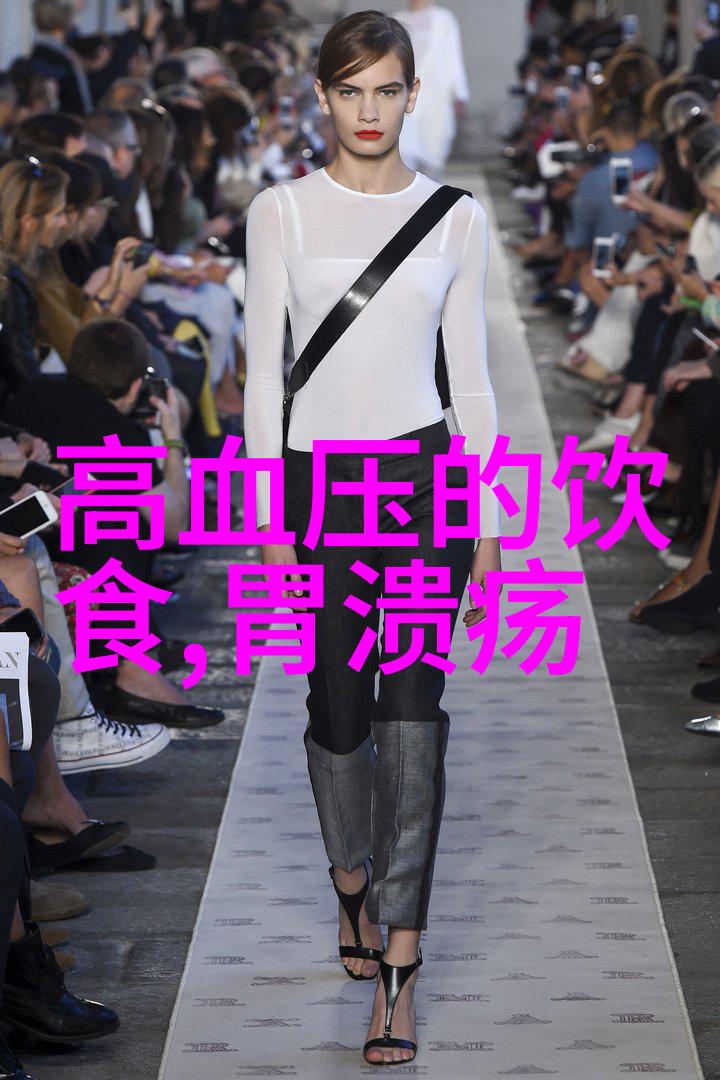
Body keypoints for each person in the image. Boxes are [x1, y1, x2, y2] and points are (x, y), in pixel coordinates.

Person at [243, 10, 500, 1067]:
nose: (367, 110)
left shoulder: (455, 218)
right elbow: (264, 378)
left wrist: (488, 519)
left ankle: (400, 960)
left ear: (410, 94)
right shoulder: (280, 213)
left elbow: (470, 379)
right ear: (322, 95)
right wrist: (267, 518)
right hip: (320, 489)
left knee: (412, 718)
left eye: (385, 89)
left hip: (425, 483)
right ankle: (351, 879)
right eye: (349, 90)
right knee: (338, 713)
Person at [391, 0, 470, 181]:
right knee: (403, 151)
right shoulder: (397, 20)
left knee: (433, 153)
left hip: (437, 98)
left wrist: (460, 94)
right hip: (405, 96)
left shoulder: (445, 20)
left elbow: (454, 58)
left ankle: (432, 196)